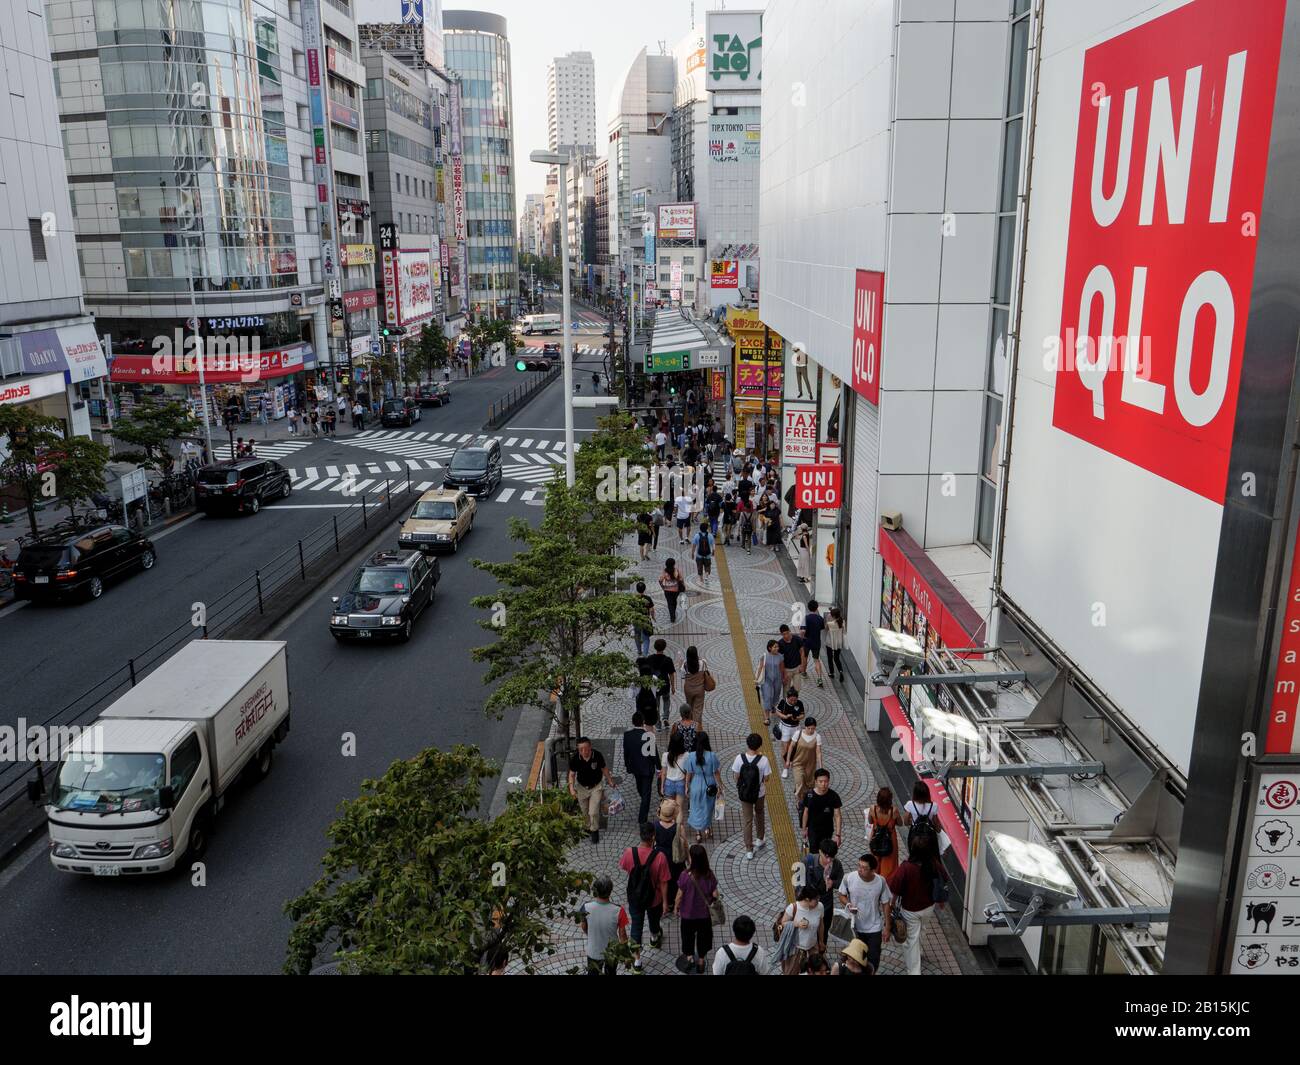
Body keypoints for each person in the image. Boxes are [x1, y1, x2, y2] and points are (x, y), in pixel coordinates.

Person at [887, 826, 945, 975]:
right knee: (922, 930)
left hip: (910, 909)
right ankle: (919, 953)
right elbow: (943, 878)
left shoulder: (906, 868)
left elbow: (894, 888)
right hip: (928, 907)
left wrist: (891, 905)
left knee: (910, 941)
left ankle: (914, 971)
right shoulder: (933, 863)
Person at [618, 822, 670, 966]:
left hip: (635, 897)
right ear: (653, 837)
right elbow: (664, 882)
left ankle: (637, 962)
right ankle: (654, 938)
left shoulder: (629, 852)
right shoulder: (660, 857)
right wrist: (665, 902)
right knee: (654, 921)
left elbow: (624, 867)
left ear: (640, 835)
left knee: (636, 926)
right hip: (654, 898)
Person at [839, 853, 893, 974]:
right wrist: (848, 904)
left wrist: (887, 927)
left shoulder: (881, 882)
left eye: (864, 868)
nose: (860, 870)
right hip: (855, 927)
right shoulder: (849, 878)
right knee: (855, 959)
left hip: (874, 927)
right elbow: (841, 895)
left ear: (873, 870)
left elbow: (885, 904)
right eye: (859, 866)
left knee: (873, 960)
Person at [674, 844, 719, 975]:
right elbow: (715, 894)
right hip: (704, 915)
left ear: (692, 859)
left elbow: (679, 895)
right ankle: (701, 961)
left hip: (688, 915)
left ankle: (689, 958)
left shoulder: (685, 875)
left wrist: (676, 908)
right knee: (703, 937)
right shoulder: (709, 875)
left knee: (687, 936)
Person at [567, 736, 614, 844]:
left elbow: (604, 768)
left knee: (593, 811)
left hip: (596, 787)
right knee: (584, 811)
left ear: (590, 747)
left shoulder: (597, 755)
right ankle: (587, 827)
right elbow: (572, 774)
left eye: (586, 748)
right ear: (578, 750)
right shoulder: (575, 759)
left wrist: (610, 780)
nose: (584, 751)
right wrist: (571, 788)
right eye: (581, 749)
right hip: (582, 787)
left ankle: (594, 830)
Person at [579, 875, 628, 975]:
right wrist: (626, 954)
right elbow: (622, 935)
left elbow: (583, 926)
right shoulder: (619, 911)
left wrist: (591, 935)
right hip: (612, 952)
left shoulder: (586, 907)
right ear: (610, 891)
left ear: (595, 891)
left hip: (594, 950)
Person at [732, 733, 771, 860]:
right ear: (759, 745)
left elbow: (736, 776)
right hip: (759, 793)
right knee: (759, 813)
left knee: (747, 820)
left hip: (745, 794)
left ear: (747, 744)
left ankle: (749, 849)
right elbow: (766, 778)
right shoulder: (763, 760)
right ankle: (760, 838)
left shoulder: (739, 758)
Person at [777, 886, 826, 975]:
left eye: (819, 898)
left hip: (812, 946)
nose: (818, 901)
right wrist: (797, 924)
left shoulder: (820, 907)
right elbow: (783, 923)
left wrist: (821, 941)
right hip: (795, 948)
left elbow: (821, 925)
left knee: (814, 972)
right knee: (791, 972)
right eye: (816, 899)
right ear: (807, 899)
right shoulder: (793, 907)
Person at [684, 731, 721, 844]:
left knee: (695, 808)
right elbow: (716, 773)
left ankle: (698, 833)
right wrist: (720, 786)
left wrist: (686, 786)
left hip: (695, 784)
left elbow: (689, 773)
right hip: (709, 785)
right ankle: (707, 828)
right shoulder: (711, 755)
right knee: (708, 808)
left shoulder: (691, 756)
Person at [804, 838, 844, 939]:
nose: (829, 860)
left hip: (826, 906)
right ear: (820, 851)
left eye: (832, 857)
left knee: (824, 932)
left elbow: (842, 883)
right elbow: (798, 885)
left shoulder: (836, 865)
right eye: (826, 857)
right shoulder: (808, 861)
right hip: (808, 905)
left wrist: (833, 883)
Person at [623, 713, 659, 826]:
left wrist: (627, 766)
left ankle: (642, 816)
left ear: (633, 722)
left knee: (641, 789)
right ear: (643, 722)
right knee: (646, 793)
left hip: (635, 768)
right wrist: (659, 767)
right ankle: (642, 818)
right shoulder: (649, 736)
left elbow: (626, 753)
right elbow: (654, 755)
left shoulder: (627, 735)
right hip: (647, 768)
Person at [654, 799, 687, 911]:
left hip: (660, 856)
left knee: (661, 880)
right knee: (674, 880)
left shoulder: (655, 826)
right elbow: (685, 844)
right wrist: (688, 859)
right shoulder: (679, 828)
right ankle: (673, 902)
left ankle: (663, 902)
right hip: (675, 857)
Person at [801, 768, 843, 854]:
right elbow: (806, 812)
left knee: (825, 852)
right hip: (813, 830)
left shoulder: (833, 796)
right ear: (816, 781)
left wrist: (838, 835)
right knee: (814, 852)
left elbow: (837, 815)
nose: (823, 784)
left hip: (827, 830)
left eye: (826, 781)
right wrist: (804, 828)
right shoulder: (809, 795)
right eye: (820, 781)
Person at [867, 786, 903, 880]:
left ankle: (875, 882)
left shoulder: (872, 809)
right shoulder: (893, 811)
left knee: (875, 862)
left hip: (876, 839)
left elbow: (870, 821)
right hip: (890, 841)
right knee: (889, 866)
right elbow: (900, 823)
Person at [785, 716, 823, 803]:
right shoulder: (798, 734)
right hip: (797, 763)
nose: (810, 730)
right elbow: (791, 747)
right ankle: (799, 801)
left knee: (809, 783)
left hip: (810, 765)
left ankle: (803, 796)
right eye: (808, 728)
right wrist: (787, 760)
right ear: (805, 727)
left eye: (813, 728)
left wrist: (821, 767)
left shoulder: (817, 737)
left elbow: (818, 753)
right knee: (800, 781)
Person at [659, 730, 690, 829]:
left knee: (669, 808)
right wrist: (686, 786)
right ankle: (678, 829)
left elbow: (663, 772)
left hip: (668, 783)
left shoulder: (666, 755)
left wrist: (662, 786)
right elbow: (687, 772)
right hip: (680, 783)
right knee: (679, 808)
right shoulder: (686, 755)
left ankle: (669, 828)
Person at [903, 780, 941, 854]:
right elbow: (937, 826)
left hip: (915, 834)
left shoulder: (910, 804)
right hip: (928, 836)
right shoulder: (933, 806)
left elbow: (906, 822)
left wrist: (913, 821)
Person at [774, 689, 806, 776]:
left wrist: (797, 718)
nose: (793, 702)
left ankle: (792, 760)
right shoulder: (783, 702)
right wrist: (785, 716)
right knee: (785, 748)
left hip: (796, 728)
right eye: (791, 700)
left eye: (795, 700)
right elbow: (777, 712)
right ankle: (786, 767)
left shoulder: (799, 703)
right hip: (785, 728)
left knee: (795, 746)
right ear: (787, 698)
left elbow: (803, 715)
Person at [645, 638, 677, 722]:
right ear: (664, 647)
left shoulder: (649, 658)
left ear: (655, 647)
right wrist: (673, 687)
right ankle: (665, 717)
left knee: (656, 704)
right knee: (666, 700)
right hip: (665, 684)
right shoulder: (668, 660)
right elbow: (671, 674)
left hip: (654, 684)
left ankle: (658, 722)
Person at [680, 645, 711, 731]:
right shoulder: (702, 662)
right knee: (698, 710)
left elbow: (682, 677)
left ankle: (689, 726)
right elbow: (706, 673)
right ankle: (697, 729)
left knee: (689, 707)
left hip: (688, 689)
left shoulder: (685, 665)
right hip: (700, 689)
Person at [756, 638, 784, 731]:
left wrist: (784, 678)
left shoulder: (780, 657)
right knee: (767, 696)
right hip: (766, 680)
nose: (777, 648)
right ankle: (767, 717)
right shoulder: (764, 657)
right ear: (769, 648)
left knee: (776, 695)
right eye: (775, 647)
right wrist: (757, 679)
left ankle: (773, 706)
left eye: (777, 647)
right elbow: (760, 668)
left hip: (777, 679)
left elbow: (781, 668)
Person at [802, 600, 826, 688]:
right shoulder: (820, 619)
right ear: (817, 608)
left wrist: (802, 637)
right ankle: (819, 678)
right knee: (816, 660)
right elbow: (822, 628)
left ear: (808, 607)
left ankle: (804, 672)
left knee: (804, 657)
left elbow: (802, 630)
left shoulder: (806, 618)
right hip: (816, 641)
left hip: (807, 641)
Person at [777, 624, 807, 691]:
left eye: (787, 633)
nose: (786, 636)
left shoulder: (797, 639)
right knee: (786, 690)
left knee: (797, 689)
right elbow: (780, 660)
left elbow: (802, 652)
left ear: (789, 631)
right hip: (787, 670)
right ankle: (786, 701)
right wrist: (783, 673)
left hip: (797, 668)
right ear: (781, 634)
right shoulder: (780, 644)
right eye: (783, 634)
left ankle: (794, 701)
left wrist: (802, 665)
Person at [658, 558, 684, 624]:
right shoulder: (676, 570)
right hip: (676, 590)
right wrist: (683, 585)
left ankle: (672, 616)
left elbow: (660, 580)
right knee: (674, 601)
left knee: (670, 603)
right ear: (673, 564)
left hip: (667, 590)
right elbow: (681, 579)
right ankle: (673, 613)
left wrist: (663, 587)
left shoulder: (664, 571)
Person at [632, 580, 654, 658]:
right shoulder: (648, 598)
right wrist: (653, 617)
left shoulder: (633, 599)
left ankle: (639, 651)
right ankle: (645, 655)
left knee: (637, 635)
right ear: (644, 589)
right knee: (646, 637)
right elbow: (651, 610)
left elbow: (630, 610)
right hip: (645, 620)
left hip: (636, 620)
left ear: (636, 589)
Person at [825, 607, 846, 682]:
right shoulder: (842, 622)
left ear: (833, 616)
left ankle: (831, 673)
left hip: (830, 642)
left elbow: (825, 629)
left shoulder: (830, 624)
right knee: (836, 658)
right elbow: (844, 631)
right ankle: (840, 671)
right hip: (838, 642)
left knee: (830, 658)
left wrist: (828, 620)